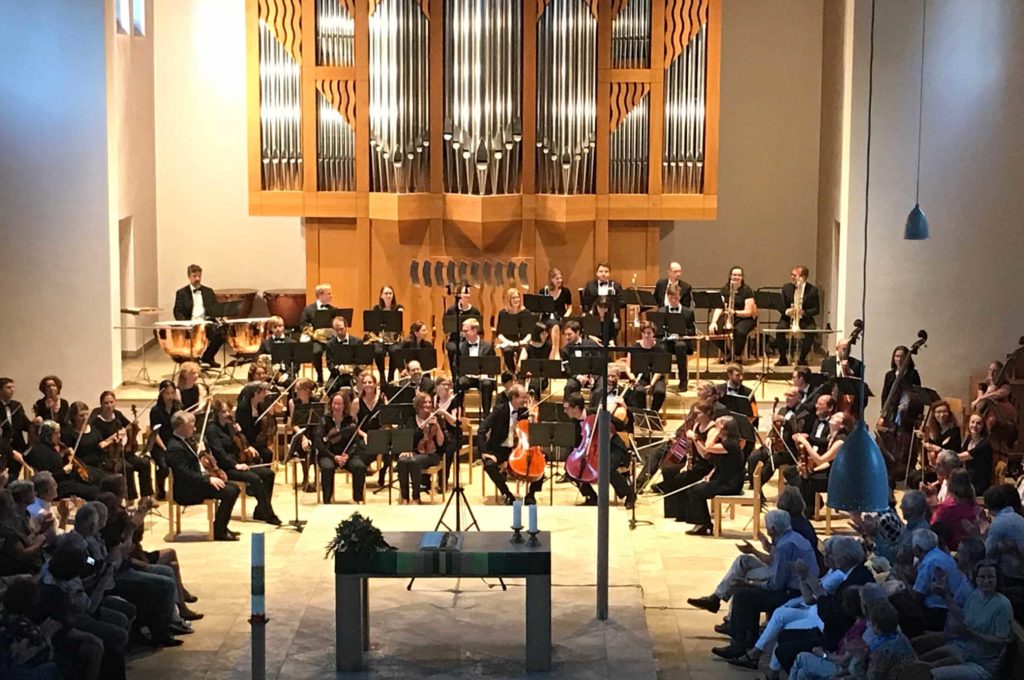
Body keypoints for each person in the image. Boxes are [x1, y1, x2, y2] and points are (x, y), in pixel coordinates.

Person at [712, 509, 819, 660]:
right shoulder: (794, 538)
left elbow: (776, 585)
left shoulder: (784, 546)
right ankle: (747, 639)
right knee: (747, 591)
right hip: (798, 587)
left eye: (767, 527)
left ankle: (739, 644)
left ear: (774, 529)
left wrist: (751, 583)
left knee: (743, 595)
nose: (766, 530)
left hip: (795, 592)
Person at [771, 536, 874, 673]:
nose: (833, 558)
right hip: (833, 630)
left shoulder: (853, 580)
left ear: (844, 558)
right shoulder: (856, 574)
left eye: (835, 555)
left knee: (786, 650)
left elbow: (831, 615)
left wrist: (807, 575)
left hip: (837, 639)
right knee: (784, 635)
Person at [911, 560, 1013, 680]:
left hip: (982, 665)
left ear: (997, 579)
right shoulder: (975, 595)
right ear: (976, 578)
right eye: (982, 577)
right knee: (921, 660)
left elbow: (1001, 641)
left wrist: (971, 633)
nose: (986, 581)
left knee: (931, 675)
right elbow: (964, 617)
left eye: (990, 577)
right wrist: (945, 596)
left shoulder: (1003, 605)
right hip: (965, 652)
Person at [164, 411, 239, 541]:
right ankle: (219, 531)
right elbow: (184, 474)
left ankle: (220, 527)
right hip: (187, 490)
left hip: (196, 484)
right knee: (229, 492)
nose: (195, 427)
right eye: (191, 425)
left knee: (234, 487)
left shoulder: (185, 441)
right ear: (180, 427)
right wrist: (208, 479)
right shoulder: (174, 447)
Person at [204, 399, 280, 524]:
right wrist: (236, 465)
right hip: (226, 468)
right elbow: (219, 453)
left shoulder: (229, 426)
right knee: (254, 478)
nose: (228, 414)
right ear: (216, 414)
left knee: (269, 474)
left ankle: (260, 510)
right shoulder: (212, 430)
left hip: (240, 462)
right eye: (224, 412)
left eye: (229, 410)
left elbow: (241, 440)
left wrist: (247, 446)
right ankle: (268, 514)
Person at [562, 388, 637, 509]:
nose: (565, 411)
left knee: (605, 467)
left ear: (576, 408)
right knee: (571, 469)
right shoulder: (573, 421)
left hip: (613, 448)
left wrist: (609, 425)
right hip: (591, 451)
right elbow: (576, 443)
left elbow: (621, 425)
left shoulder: (597, 414)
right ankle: (591, 496)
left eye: (567, 408)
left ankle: (629, 494)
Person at [671, 415, 745, 535]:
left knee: (695, 492)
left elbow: (708, 447)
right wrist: (710, 474)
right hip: (722, 479)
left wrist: (715, 433)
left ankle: (703, 524)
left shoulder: (731, 444)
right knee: (695, 490)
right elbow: (720, 464)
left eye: (718, 426)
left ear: (724, 428)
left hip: (730, 484)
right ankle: (703, 523)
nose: (715, 428)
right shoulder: (726, 441)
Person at [477, 385, 533, 506]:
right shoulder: (499, 410)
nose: (526, 400)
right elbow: (481, 429)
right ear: (514, 397)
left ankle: (531, 495)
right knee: (489, 465)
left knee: (537, 464)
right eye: (523, 397)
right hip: (500, 449)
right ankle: (507, 493)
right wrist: (484, 452)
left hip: (518, 449)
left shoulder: (525, 411)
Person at [90, 391, 151, 501]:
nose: (109, 406)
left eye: (111, 402)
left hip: (121, 451)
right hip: (109, 456)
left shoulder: (117, 415)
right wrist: (114, 438)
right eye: (106, 403)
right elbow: (99, 444)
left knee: (144, 463)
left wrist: (134, 426)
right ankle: (130, 499)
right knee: (127, 468)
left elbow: (129, 427)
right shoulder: (96, 422)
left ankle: (145, 497)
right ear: (101, 405)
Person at [789, 411, 851, 518]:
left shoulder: (840, 441)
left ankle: (808, 509)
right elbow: (828, 463)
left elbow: (820, 460)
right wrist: (811, 470)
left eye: (837, 416)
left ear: (841, 425)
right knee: (800, 475)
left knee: (805, 481)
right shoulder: (831, 437)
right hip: (831, 472)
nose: (832, 416)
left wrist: (805, 442)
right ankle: (808, 507)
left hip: (837, 479)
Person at [25, 421, 100, 501]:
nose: (59, 436)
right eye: (56, 433)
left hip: (64, 481)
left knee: (96, 480)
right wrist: (63, 471)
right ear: (48, 434)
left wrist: (64, 454)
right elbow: (45, 477)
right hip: (56, 487)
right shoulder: (38, 452)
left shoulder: (51, 447)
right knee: (93, 491)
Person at [317, 390, 369, 504]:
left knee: (359, 466)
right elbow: (319, 443)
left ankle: (358, 499)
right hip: (328, 454)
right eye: (334, 403)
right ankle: (327, 501)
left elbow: (355, 442)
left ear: (345, 405)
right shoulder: (324, 420)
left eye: (339, 404)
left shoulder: (350, 421)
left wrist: (347, 456)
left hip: (346, 455)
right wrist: (333, 456)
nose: (336, 406)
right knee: (327, 468)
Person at [911, 528, 966, 631]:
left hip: (939, 610)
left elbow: (918, 595)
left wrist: (903, 579)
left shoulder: (929, 561)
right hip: (951, 605)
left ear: (917, 549)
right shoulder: (942, 555)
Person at [172, 263, 225, 367]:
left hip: (205, 323)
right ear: (189, 277)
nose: (197, 278)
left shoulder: (208, 291)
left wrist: (218, 313)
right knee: (190, 339)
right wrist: (185, 324)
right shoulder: (181, 293)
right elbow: (177, 311)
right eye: (194, 276)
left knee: (221, 334)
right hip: (190, 324)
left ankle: (207, 357)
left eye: (199, 276)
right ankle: (192, 360)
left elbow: (215, 308)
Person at [396, 392, 443, 505]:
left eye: (429, 402)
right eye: (424, 402)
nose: (427, 404)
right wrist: (407, 449)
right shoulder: (411, 421)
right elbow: (407, 439)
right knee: (402, 461)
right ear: (418, 405)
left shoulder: (436, 418)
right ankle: (405, 497)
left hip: (431, 454)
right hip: (415, 452)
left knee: (414, 462)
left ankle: (416, 497)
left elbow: (441, 443)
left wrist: (437, 426)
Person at [707, 266, 756, 363]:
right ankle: (728, 352)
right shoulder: (725, 290)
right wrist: (713, 322)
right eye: (734, 274)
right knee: (713, 332)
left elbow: (749, 312)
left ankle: (737, 354)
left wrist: (735, 312)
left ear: (742, 277)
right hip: (728, 317)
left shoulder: (746, 290)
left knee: (740, 332)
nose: (736, 277)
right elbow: (719, 307)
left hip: (744, 318)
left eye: (739, 275)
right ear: (730, 276)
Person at [774, 266, 819, 367]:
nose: (791, 277)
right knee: (779, 330)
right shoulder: (786, 287)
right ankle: (782, 358)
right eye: (791, 275)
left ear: (802, 277)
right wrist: (788, 311)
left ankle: (802, 358)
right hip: (788, 317)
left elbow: (816, 309)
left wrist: (803, 312)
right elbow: (781, 305)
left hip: (804, 318)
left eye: (794, 275)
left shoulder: (812, 290)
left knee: (811, 331)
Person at [655, 283, 696, 390]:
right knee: (661, 347)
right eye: (671, 297)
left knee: (680, 346)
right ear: (668, 297)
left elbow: (692, 330)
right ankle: (660, 379)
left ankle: (683, 380)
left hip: (682, 342)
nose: (673, 300)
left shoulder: (687, 312)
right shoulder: (662, 311)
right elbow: (657, 331)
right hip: (668, 341)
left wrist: (682, 333)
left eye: (676, 297)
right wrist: (665, 333)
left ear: (680, 296)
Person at [930, 469, 979, 551]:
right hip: (972, 547)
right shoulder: (974, 504)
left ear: (950, 484)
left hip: (952, 549)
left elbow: (934, 527)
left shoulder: (947, 507)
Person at [147, 380, 181, 501]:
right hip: (159, 445)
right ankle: (160, 489)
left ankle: (179, 490)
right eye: (167, 393)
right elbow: (155, 434)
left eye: (173, 393)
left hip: (174, 443)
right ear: (161, 394)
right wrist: (165, 448)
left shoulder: (178, 407)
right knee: (164, 466)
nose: (170, 396)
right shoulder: (155, 411)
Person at [298, 283, 337, 384]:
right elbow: (303, 325)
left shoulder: (333, 310)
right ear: (320, 295)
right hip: (316, 339)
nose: (331, 296)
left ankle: (335, 375)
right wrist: (314, 334)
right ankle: (320, 376)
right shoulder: (309, 309)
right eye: (329, 293)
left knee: (340, 349)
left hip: (330, 339)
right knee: (316, 352)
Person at [456, 319, 497, 415]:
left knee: (487, 384)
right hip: (468, 377)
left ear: (475, 331)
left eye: (466, 331)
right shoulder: (461, 347)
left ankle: (486, 416)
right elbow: (456, 365)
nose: (463, 334)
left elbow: (493, 365)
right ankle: (459, 413)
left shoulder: (487, 346)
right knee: (459, 383)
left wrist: (486, 375)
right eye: (463, 331)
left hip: (483, 377)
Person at [626, 322, 668, 412]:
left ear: (653, 333)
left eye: (649, 333)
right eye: (644, 333)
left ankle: (653, 413)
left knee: (659, 392)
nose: (646, 335)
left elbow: (660, 370)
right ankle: (643, 413)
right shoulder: (635, 348)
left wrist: (652, 384)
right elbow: (628, 367)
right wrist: (632, 377)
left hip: (656, 378)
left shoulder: (660, 348)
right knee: (639, 391)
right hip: (640, 377)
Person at [368, 284, 403, 381]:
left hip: (394, 339)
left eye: (390, 293)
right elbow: (373, 326)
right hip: (380, 339)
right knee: (378, 351)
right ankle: (382, 376)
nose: (388, 295)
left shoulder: (398, 308)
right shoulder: (376, 309)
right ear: (381, 296)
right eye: (386, 293)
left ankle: (391, 377)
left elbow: (399, 326)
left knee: (394, 351)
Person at [233, 381, 275, 465]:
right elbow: (242, 431)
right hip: (246, 442)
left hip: (257, 441)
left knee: (268, 454)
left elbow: (266, 425)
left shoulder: (260, 406)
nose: (266, 394)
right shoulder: (243, 410)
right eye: (263, 392)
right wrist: (248, 446)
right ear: (256, 393)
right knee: (265, 454)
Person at [560, 320, 600, 400]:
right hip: (576, 377)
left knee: (599, 390)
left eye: (569, 334)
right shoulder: (565, 350)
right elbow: (567, 368)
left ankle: (594, 410)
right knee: (569, 387)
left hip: (592, 376)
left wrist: (593, 379)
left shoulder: (591, 344)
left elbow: (599, 364)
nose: (567, 337)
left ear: (577, 332)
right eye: (565, 335)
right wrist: (578, 377)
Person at [1, 377, 32, 480]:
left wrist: (36, 424)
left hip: (19, 446)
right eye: (8, 387)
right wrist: (11, 452)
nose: (12, 390)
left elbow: (26, 425)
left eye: (13, 387)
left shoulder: (16, 406)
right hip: (3, 449)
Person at [443, 288, 482, 369]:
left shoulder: (474, 311)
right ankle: (455, 376)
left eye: (468, 293)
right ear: (459, 295)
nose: (466, 295)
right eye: (464, 293)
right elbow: (446, 328)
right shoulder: (452, 310)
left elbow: (479, 329)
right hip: (455, 339)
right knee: (452, 349)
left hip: (470, 339)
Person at [958, 413, 993, 496]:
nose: (974, 425)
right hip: (967, 477)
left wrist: (940, 450)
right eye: (972, 422)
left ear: (983, 426)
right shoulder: (968, 439)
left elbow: (961, 457)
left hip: (978, 482)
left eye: (978, 423)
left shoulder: (985, 444)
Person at [324, 314, 361, 392]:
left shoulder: (357, 342)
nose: (339, 332)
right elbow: (329, 364)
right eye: (336, 330)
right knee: (329, 388)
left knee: (361, 388)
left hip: (355, 374)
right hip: (338, 374)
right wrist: (338, 369)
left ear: (346, 327)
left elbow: (361, 360)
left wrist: (352, 369)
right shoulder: (330, 344)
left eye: (341, 329)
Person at [518, 323, 553, 398]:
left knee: (536, 382)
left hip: (541, 378)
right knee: (520, 387)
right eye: (543, 333)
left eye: (547, 333)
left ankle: (533, 399)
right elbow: (520, 365)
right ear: (537, 334)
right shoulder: (527, 347)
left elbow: (551, 364)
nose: (546, 335)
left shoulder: (548, 347)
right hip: (527, 376)